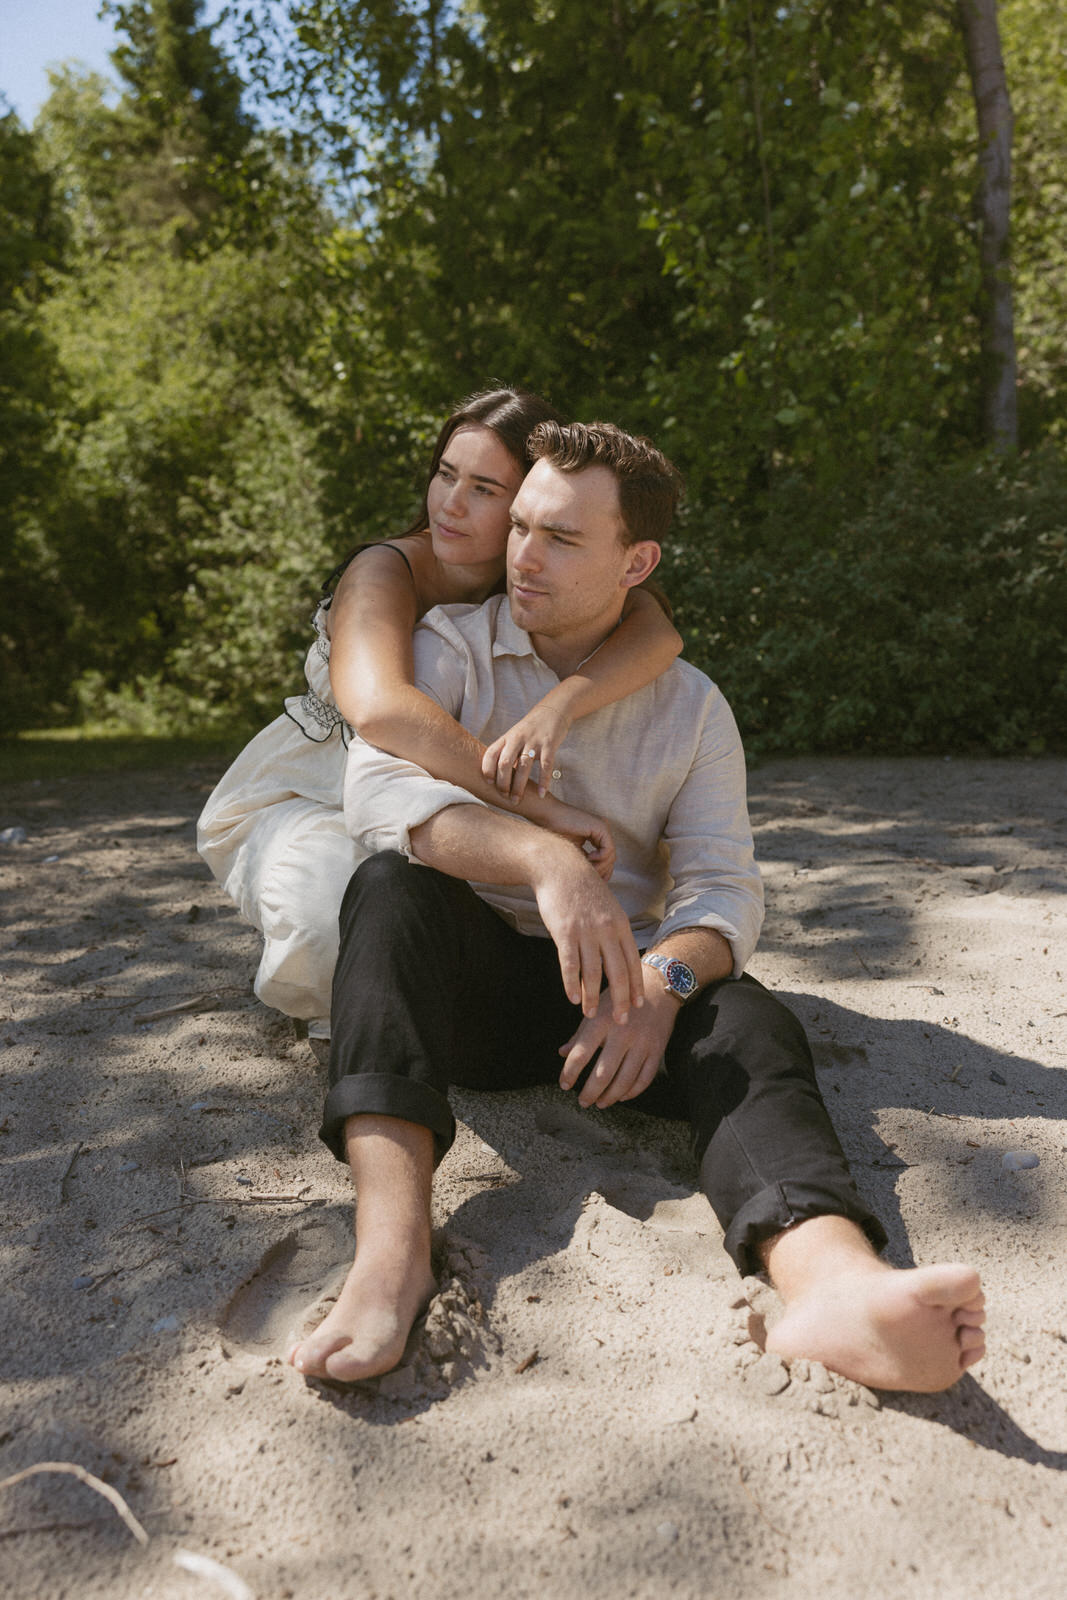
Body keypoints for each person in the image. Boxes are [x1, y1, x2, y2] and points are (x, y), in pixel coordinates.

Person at [288, 420, 987, 1396]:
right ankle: (391, 1255)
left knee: (749, 1018)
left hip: (623, 1006)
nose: (521, 554)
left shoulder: (691, 706)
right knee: (385, 891)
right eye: (520, 526)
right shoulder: (448, 649)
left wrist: (659, 987)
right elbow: (381, 798)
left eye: (561, 538)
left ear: (637, 562)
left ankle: (830, 1279)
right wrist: (542, 857)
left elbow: (720, 887)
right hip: (472, 986)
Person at [197, 388, 682, 1030]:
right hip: (312, 792)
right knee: (330, 919)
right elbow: (380, 710)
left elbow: (658, 634)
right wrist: (539, 808)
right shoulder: (384, 568)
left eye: (485, 489)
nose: (451, 504)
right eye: (446, 475)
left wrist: (560, 705)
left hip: (439, 793)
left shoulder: (540, 573)